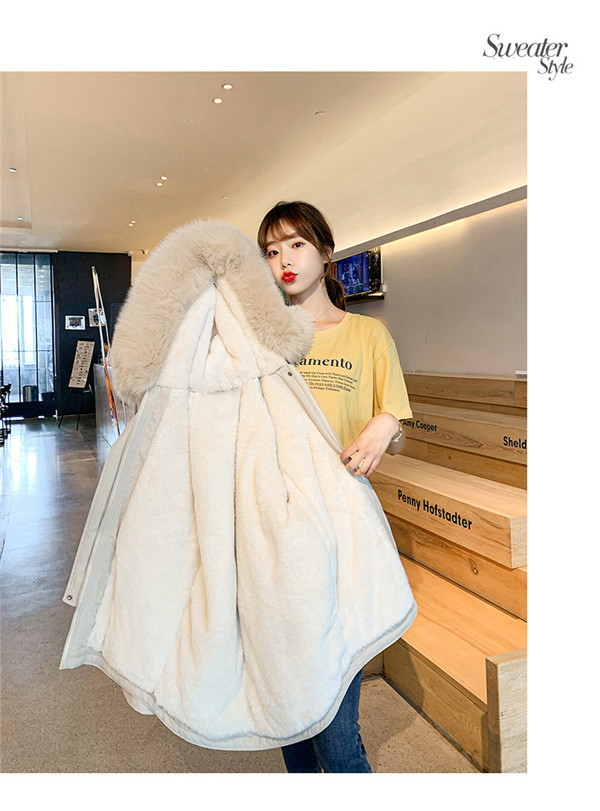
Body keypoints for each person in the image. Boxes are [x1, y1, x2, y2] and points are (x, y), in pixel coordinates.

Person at [256, 200, 413, 773]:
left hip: (345, 526)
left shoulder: (368, 335)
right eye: (271, 251)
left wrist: (386, 424)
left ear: (326, 253)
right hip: (276, 526)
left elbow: (395, 435)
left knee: (337, 715)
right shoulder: (262, 343)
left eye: (296, 244)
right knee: (288, 696)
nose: (283, 259)